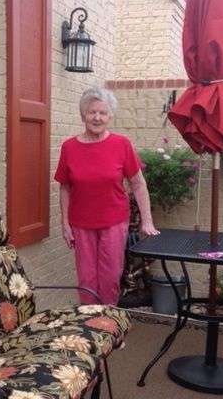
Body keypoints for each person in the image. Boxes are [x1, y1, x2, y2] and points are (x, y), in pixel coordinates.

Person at [54, 86, 159, 305]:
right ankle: (89, 321)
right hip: (81, 224)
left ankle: (109, 321)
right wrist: (65, 224)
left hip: (113, 221)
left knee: (110, 277)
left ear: (110, 116)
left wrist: (147, 220)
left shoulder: (121, 144)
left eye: (103, 112)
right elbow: (65, 187)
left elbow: (138, 184)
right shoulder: (69, 147)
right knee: (86, 280)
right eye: (92, 112)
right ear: (83, 115)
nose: (97, 117)